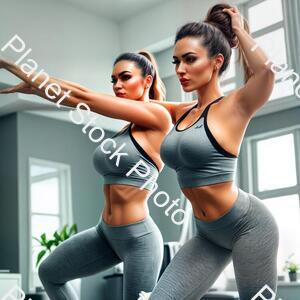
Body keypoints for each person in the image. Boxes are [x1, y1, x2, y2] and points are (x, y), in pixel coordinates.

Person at [0, 50, 172, 300]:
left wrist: (11, 66)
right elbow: (80, 91)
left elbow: (84, 97)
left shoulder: (158, 117)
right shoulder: (127, 128)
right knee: (49, 273)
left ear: (147, 81)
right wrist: (38, 87)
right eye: (113, 80)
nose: (117, 85)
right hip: (105, 233)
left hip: (139, 240)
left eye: (125, 77)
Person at [143, 3, 279, 300]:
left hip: (249, 227)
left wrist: (240, 30)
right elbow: (126, 106)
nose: (179, 69)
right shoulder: (182, 111)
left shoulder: (236, 105)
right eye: (176, 61)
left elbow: (266, 72)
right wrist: (53, 90)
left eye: (190, 59)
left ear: (217, 62)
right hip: (207, 235)